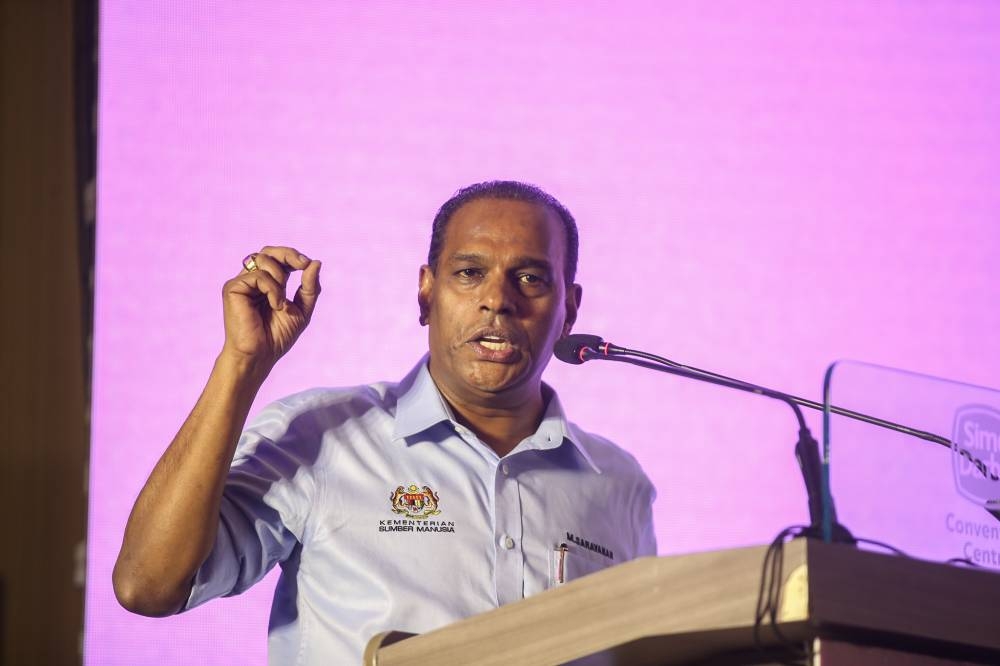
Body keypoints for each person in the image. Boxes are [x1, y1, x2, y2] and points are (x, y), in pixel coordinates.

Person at [113, 180, 657, 664]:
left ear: (571, 308)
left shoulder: (620, 483)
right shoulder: (320, 437)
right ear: (426, 292)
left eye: (531, 279)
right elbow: (149, 585)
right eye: (470, 273)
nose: (497, 300)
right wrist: (241, 365)